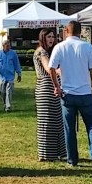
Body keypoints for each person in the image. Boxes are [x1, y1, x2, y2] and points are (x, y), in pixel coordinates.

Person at [48, 21, 92, 168]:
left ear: (66, 31)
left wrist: (57, 86)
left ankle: (72, 159)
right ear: (80, 32)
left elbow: (51, 68)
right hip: (85, 92)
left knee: (69, 128)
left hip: (67, 93)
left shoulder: (59, 47)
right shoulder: (87, 47)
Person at [33, 28, 66, 162]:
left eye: (53, 37)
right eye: (48, 37)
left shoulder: (49, 51)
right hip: (46, 89)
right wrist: (61, 71)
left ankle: (60, 152)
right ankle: (47, 154)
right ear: (43, 38)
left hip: (53, 88)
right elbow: (48, 68)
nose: (51, 39)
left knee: (57, 120)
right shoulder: (41, 52)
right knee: (47, 121)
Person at [0, 38, 22, 112]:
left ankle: (8, 107)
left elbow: (17, 64)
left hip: (10, 76)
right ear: (3, 46)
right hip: (1, 76)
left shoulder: (13, 54)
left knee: (9, 91)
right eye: (7, 45)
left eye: (9, 45)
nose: (8, 47)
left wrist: (19, 74)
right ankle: (5, 103)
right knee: (2, 92)